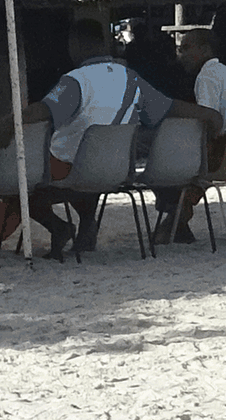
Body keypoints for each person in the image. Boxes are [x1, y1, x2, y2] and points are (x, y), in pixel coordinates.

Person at [29, 18, 165, 257]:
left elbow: (45, 110)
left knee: (24, 177)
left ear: (75, 43)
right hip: (117, 169)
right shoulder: (132, 78)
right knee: (85, 161)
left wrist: (9, 121)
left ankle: (57, 226)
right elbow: (167, 108)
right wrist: (207, 115)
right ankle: (86, 224)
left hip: (75, 170)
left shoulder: (75, 80)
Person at [154, 26, 226, 242]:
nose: (180, 55)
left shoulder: (208, 77)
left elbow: (207, 120)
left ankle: (178, 214)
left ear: (204, 49)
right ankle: (179, 219)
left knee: (164, 165)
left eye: (185, 48)